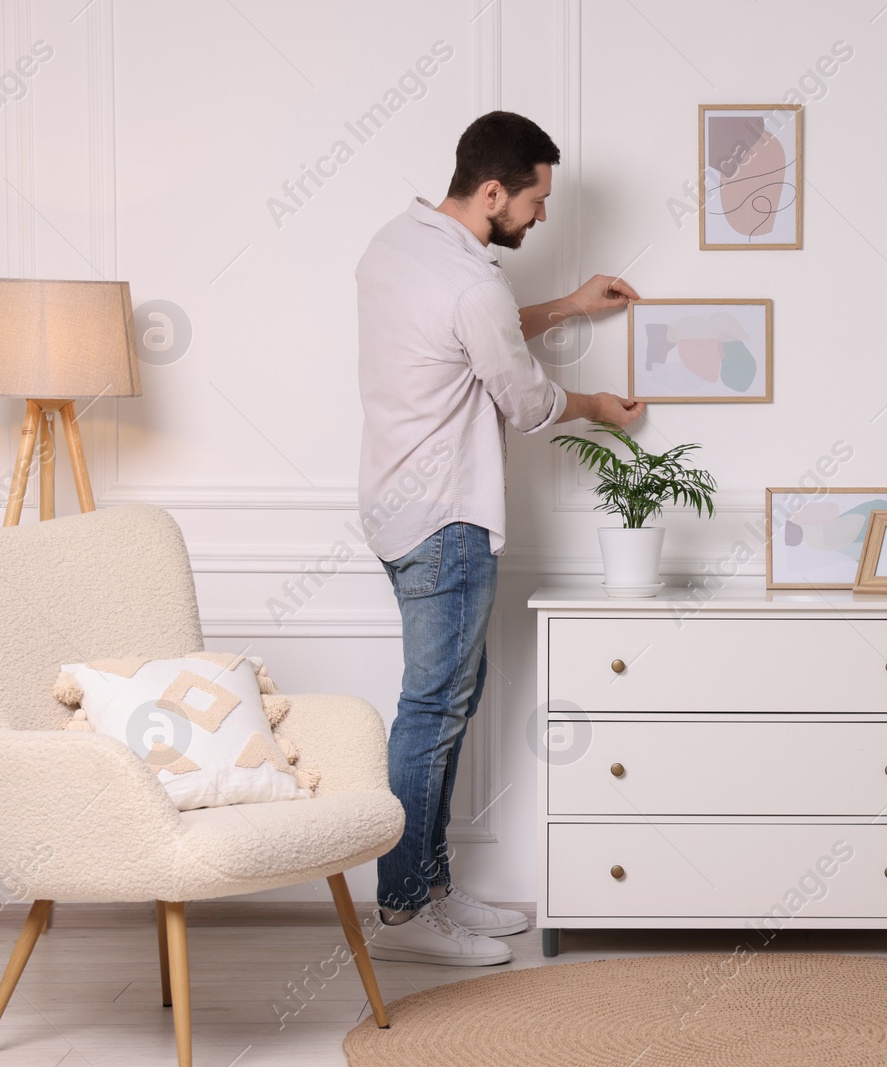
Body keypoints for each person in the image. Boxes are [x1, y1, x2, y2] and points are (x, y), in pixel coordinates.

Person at [355, 110, 643, 966]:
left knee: (443, 708)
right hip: (447, 517)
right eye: (535, 199)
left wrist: (568, 305)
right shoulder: (471, 286)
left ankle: (432, 885)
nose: (541, 217)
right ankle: (406, 912)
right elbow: (522, 402)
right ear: (493, 191)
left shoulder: (396, 244)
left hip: (398, 510)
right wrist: (596, 406)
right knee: (433, 712)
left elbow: (472, 331)